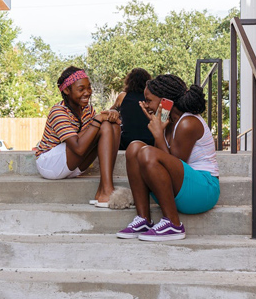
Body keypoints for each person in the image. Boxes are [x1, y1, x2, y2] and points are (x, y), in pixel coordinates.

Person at [116, 74, 220, 241]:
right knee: (134, 147)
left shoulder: (188, 123)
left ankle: (174, 224)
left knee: (146, 151)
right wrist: (160, 127)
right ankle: (144, 220)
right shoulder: (168, 120)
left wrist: (158, 134)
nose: (145, 105)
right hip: (180, 189)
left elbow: (175, 162)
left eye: (149, 100)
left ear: (165, 101)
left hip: (203, 190)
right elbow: (156, 165)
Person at [33, 66, 122, 206]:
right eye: (81, 89)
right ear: (67, 91)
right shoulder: (59, 111)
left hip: (72, 164)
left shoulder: (88, 109)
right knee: (103, 124)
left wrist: (112, 115)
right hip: (49, 163)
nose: (87, 93)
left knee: (113, 126)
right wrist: (99, 119)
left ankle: (103, 190)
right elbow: (79, 149)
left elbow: (99, 132)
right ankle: (107, 190)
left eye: (89, 88)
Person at [109, 68, 154, 150]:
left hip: (127, 141)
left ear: (129, 81)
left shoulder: (123, 96)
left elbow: (111, 111)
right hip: (150, 141)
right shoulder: (151, 99)